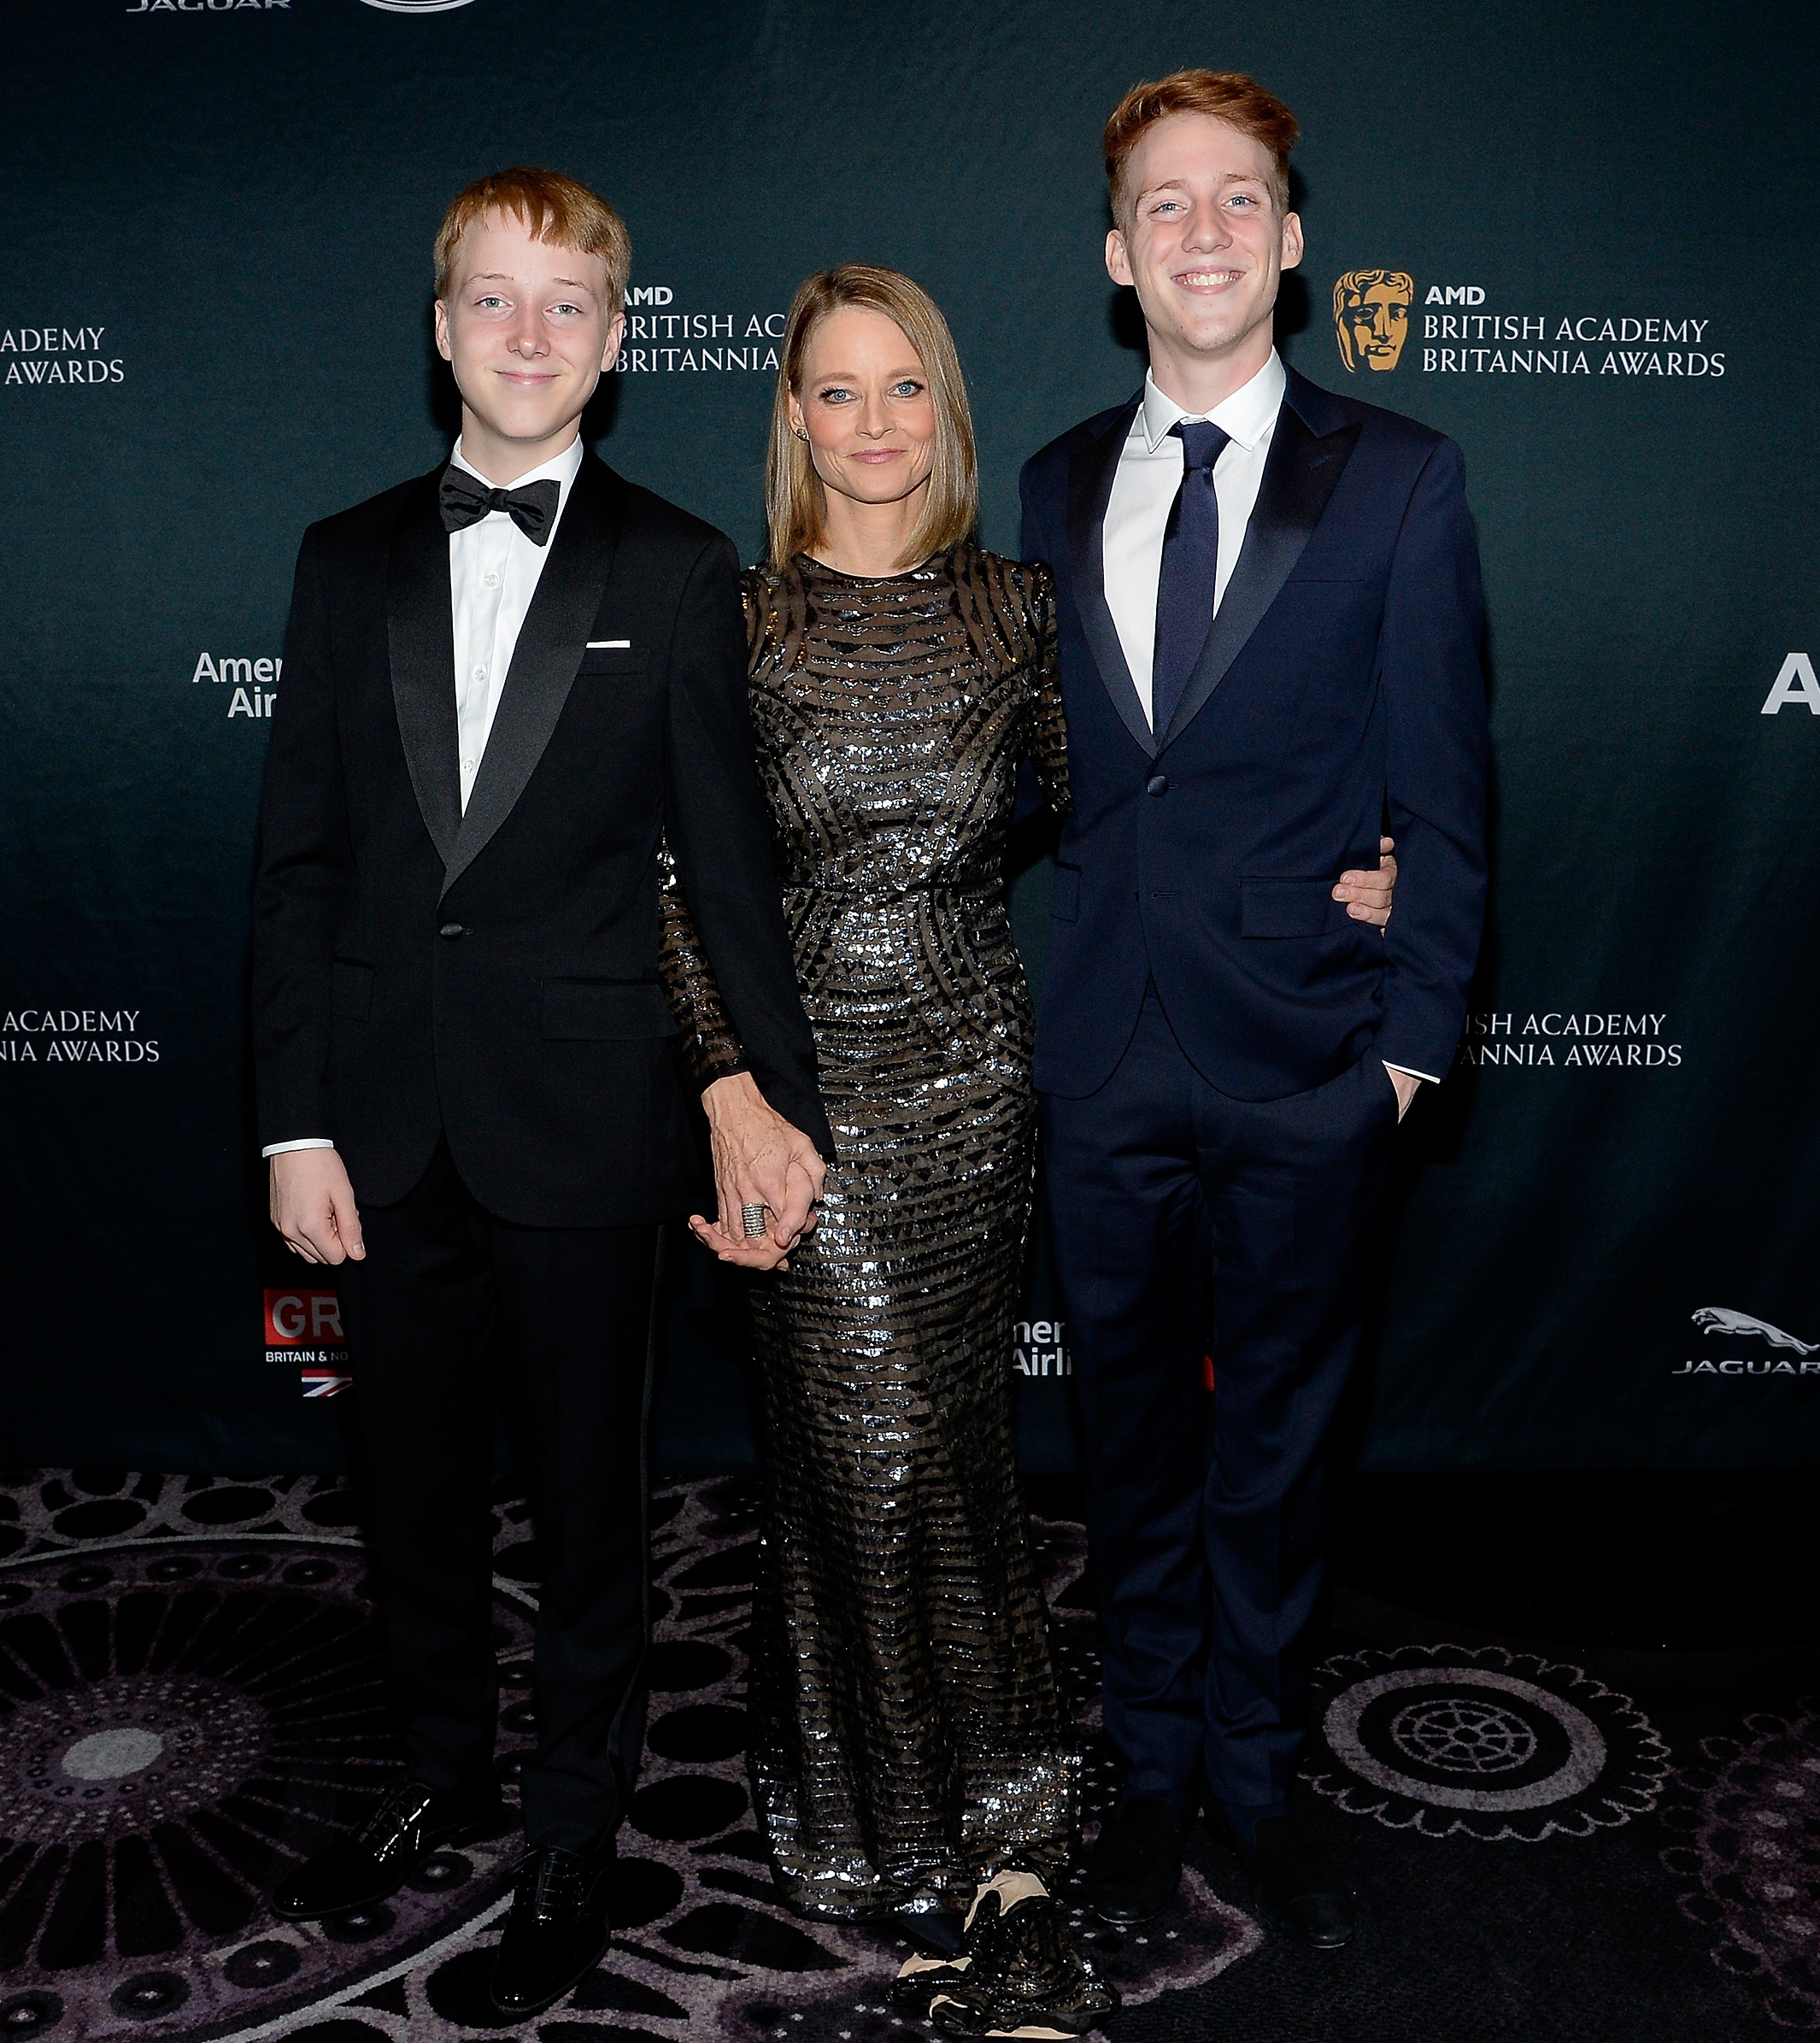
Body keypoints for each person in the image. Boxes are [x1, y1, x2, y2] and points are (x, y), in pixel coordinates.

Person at [661, 267, 1394, 2029]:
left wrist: (1352, 859)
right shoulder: (735, 621)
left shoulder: (1015, 611)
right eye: (834, 393)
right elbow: (683, 879)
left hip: (982, 1080)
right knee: (865, 1453)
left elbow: (1161, 793)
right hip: (798, 1086)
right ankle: (887, 1810)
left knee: (960, 1450)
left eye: (903, 386)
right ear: (792, 419)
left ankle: (994, 1796)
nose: (873, 425)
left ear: (947, 408)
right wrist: (728, 1091)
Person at [249, 167, 830, 2024]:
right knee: (406, 1491)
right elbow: (299, 863)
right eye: (490, 301)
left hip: (587, 1122)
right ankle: (441, 1764)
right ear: (441, 331)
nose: (525, 334)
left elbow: (724, 872)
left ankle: (574, 1827)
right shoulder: (343, 557)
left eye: (564, 303)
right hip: (381, 1127)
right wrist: (292, 1119)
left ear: (615, 337)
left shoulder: (672, 568)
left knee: (590, 1507)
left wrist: (768, 1111)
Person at [1017, 71, 1488, 1951]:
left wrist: (1406, 1048)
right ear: (1114, 254)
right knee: (1128, 1440)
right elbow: (1056, 768)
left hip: (1311, 1058)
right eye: (1162, 205)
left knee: (1279, 1441)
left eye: (1238, 201)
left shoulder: (1401, 472)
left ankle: (1258, 1768)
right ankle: (1145, 1772)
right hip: (1107, 1046)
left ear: (1291, 242)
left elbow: (1449, 792)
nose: (1201, 232)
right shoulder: (1051, 481)